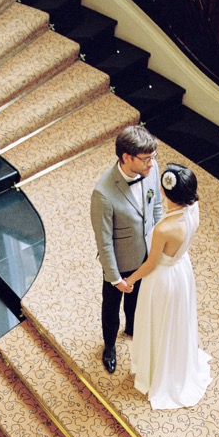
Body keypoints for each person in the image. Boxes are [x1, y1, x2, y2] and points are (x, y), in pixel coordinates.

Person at [126, 163, 212, 410]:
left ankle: (155, 369)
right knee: (175, 320)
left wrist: (129, 281)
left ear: (166, 193)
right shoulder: (194, 208)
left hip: (163, 278)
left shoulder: (164, 228)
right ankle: (174, 362)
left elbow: (151, 264)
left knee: (157, 321)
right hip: (181, 269)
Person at [90, 125, 163, 373]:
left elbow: (157, 209)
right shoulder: (103, 193)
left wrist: (158, 246)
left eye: (153, 157)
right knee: (111, 308)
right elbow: (104, 240)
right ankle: (109, 346)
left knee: (138, 299)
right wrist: (114, 277)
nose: (151, 164)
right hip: (119, 262)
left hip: (146, 256)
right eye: (145, 159)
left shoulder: (151, 170)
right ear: (126, 157)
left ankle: (132, 328)